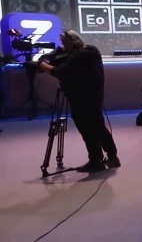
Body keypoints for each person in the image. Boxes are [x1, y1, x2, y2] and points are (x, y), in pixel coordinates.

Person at [37, 30, 118, 172]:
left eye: (65, 43)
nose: (63, 46)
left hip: (82, 99)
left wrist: (41, 64)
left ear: (74, 43)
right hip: (92, 97)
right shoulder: (90, 51)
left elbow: (59, 71)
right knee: (98, 126)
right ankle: (111, 157)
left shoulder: (79, 55)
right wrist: (55, 53)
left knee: (87, 129)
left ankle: (96, 161)